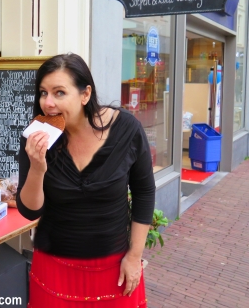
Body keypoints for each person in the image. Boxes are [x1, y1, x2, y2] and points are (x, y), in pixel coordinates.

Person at [17, 53, 156, 307]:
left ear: (85, 94)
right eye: (43, 92)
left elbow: (144, 192)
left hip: (115, 269)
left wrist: (135, 256)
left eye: (59, 92)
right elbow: (29, 211)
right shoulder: (36, 137)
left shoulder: (127, 130)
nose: (48, 103)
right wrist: (37, 168)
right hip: (54, 269)